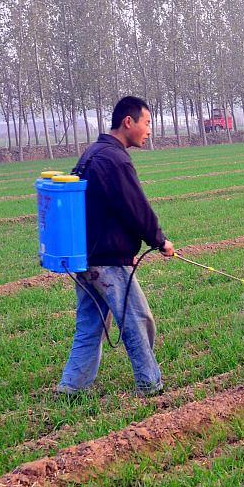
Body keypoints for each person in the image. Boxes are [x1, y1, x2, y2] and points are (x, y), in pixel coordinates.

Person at [56, 96, 175, 396]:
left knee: (90, 325)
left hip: (85, 256)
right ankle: (149, 385)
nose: (149, 130)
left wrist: (126, 250)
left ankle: (71, 387)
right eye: (146, 123)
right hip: (106, 259)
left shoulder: (92, 153)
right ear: (128, 122)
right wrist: (159, 241)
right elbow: (135, 208)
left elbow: (106, 209)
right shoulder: (115, 159)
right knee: (137, 320)